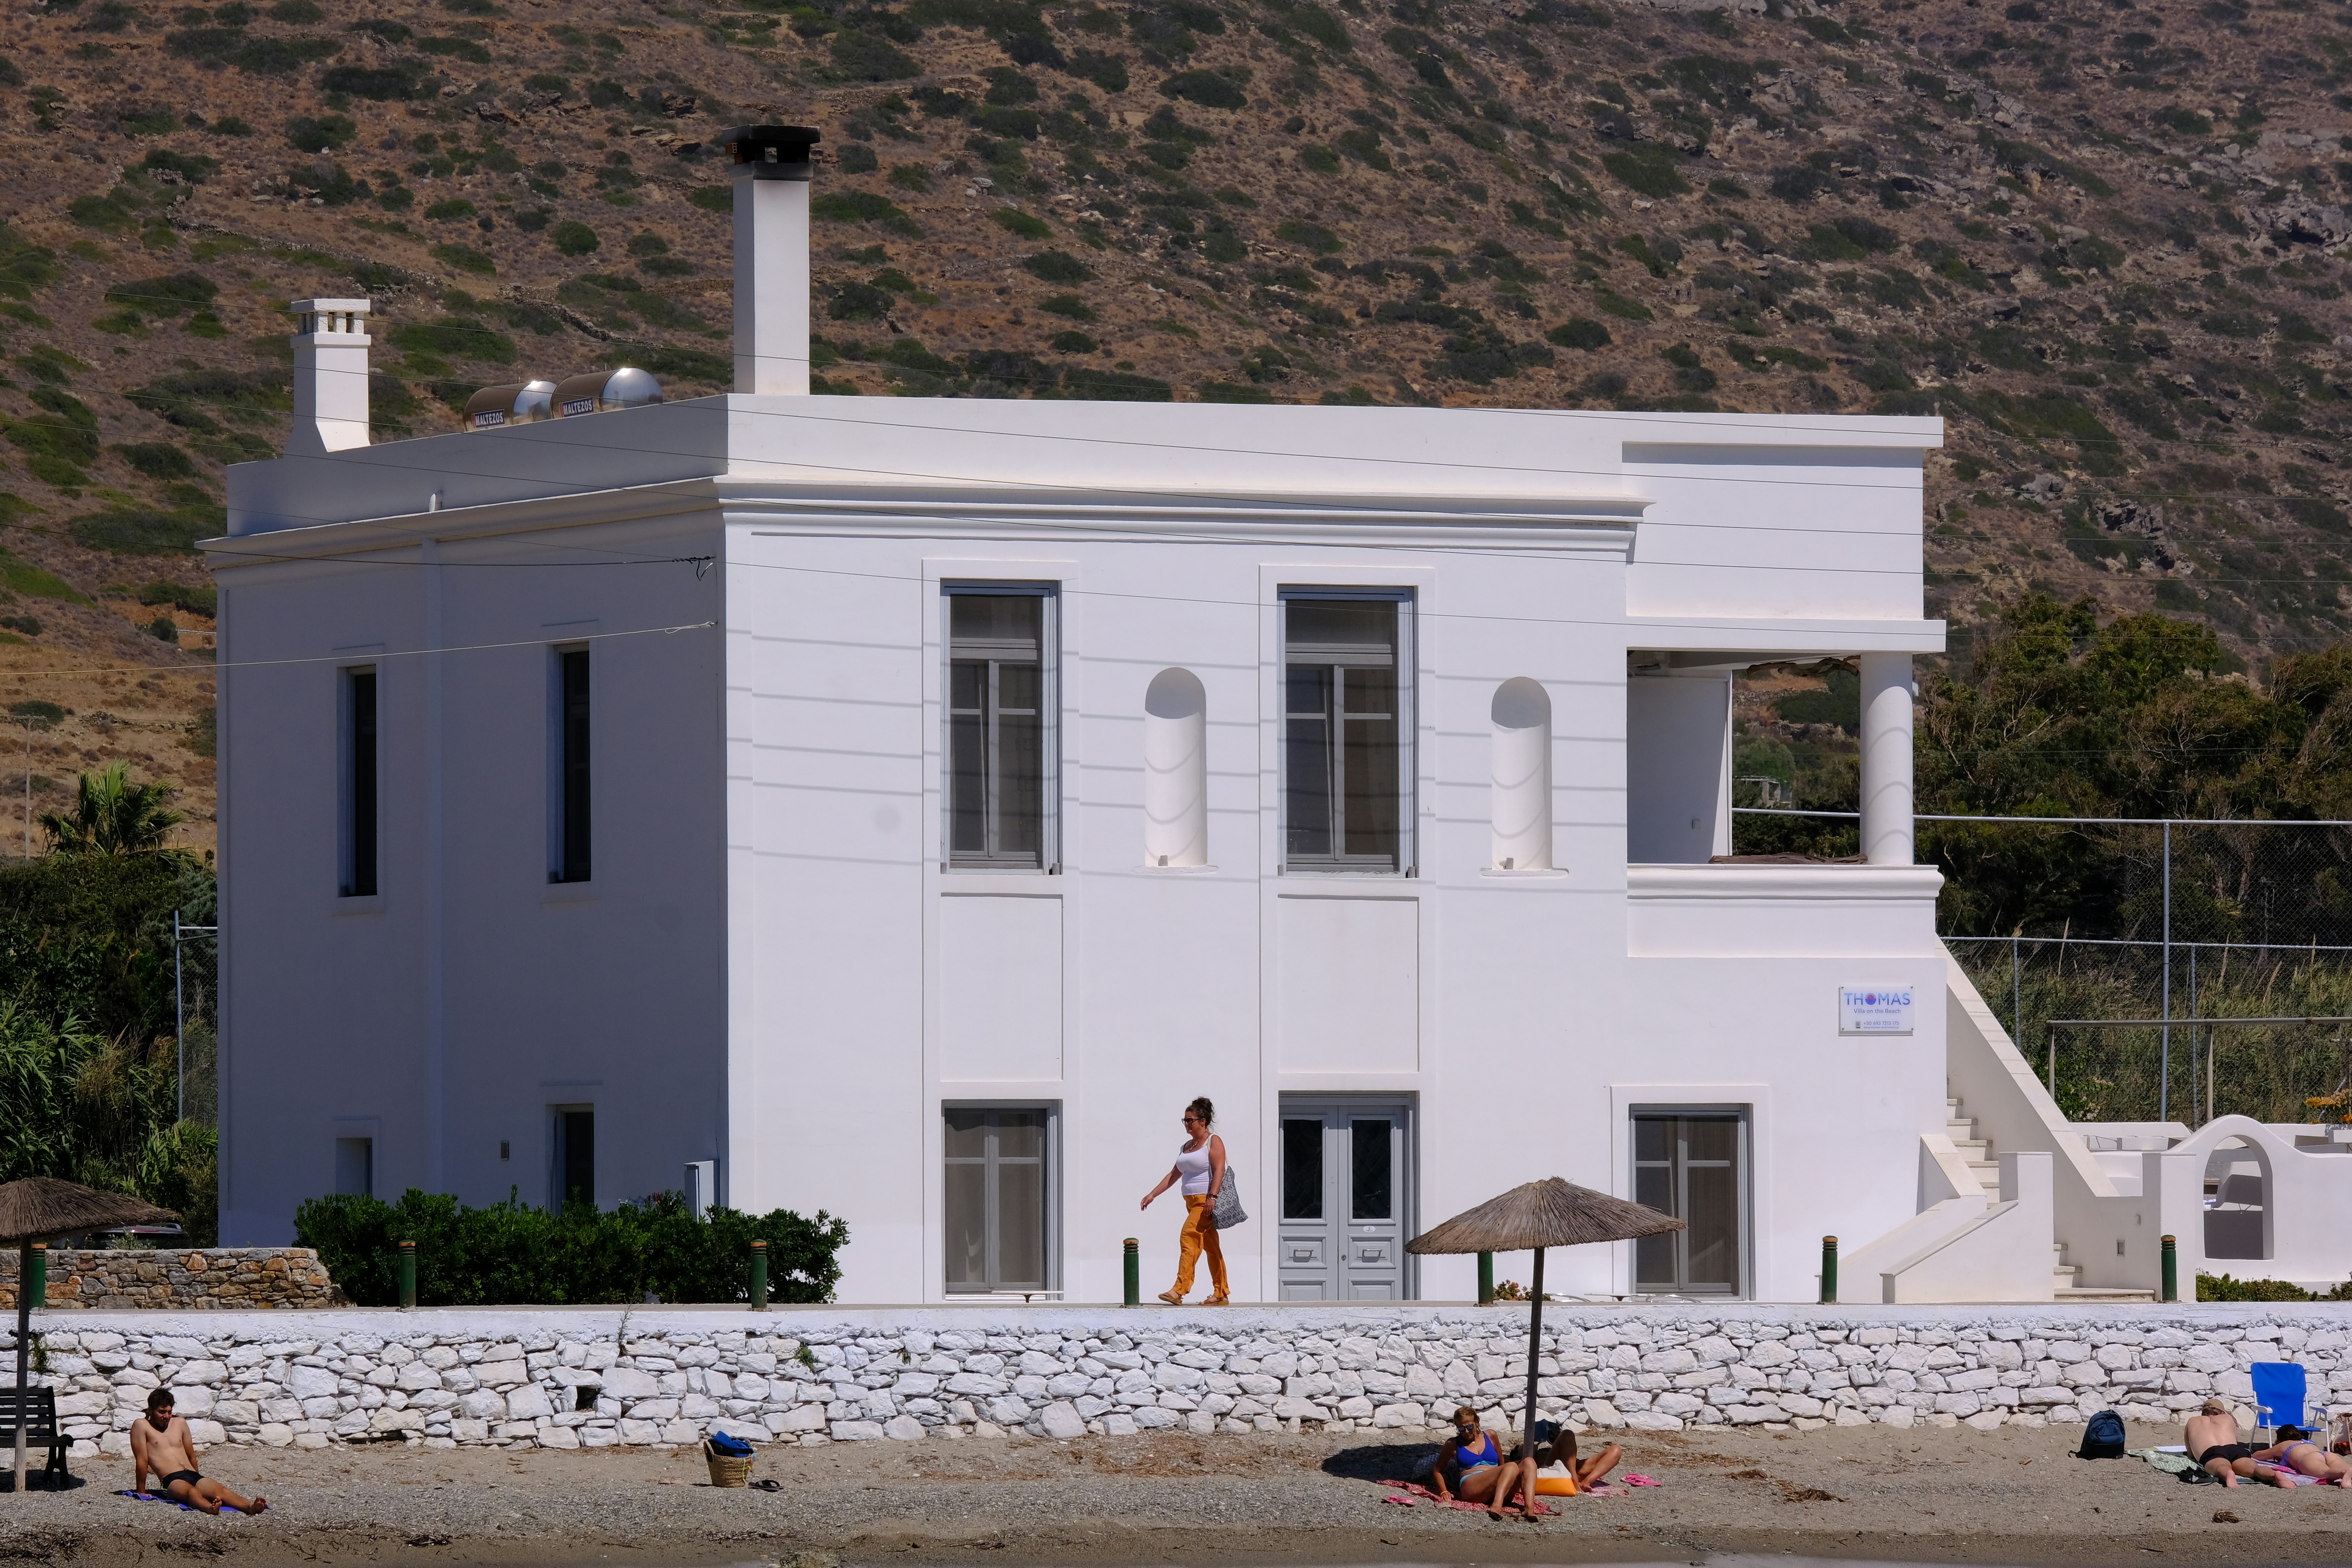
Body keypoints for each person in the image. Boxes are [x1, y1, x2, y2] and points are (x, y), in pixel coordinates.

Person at [1139, 1096, 1228, 1305]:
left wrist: (1212, 1197)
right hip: (1191, 1203)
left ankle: (1179, 1290)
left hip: (1205, 1202)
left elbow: (1220, 1170)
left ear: (1203, 1122)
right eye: (1185, 1120)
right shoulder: (1187, 1146)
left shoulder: (1213, 1141)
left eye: (1190, 1120)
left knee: (1189, 1237)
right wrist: (1152, 1195)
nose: (1187, 1124)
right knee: (1211, 1248)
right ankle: (1221, 1292)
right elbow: (1174, 1174)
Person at [130, 1388, 268, 1515]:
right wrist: (141, 1491)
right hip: (171, 1480)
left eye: (170, 1412)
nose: (167, 1416)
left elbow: (191, 1455)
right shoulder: (142, 1426)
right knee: (191, 1493)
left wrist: (198, 1478)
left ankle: (250, 1507)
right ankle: (209, 1508)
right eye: (162, 1412)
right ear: (151, 1410)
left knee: (221, 1491)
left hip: (193, 1475)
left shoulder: (180, 1423)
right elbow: (142, 1461)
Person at [1430, 1406, 1534, 1519]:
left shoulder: (1491, 1436)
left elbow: (1501, 1462)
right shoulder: (1453, 1444)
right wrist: (1444, 1491)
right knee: (1511, 1466)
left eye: (1470, 1427)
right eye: (1462, 1429)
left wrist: (1509, 1478)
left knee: (1529, 1462)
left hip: (1496, 1486)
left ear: (1477, 1423)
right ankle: (1497, 1506)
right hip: (1472, 1485)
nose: (1466, 1432)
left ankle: (1529, 1509)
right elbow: (1437, 1470)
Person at [2187, 1396, 2282, 1488]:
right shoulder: (2228, 1418)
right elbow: (2234, 1440)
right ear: (2222, 1412)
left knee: (2221, 1466)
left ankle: (2228, 1474)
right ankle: (2274, 1475)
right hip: (2234, 1449)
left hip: (2212, 1452)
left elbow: (2191, 1453)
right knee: (2255, 1469)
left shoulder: (2193, 1421)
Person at [2251, 1425, 2352, 1486]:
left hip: (2308, 1458)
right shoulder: (2307, 1442)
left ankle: (2344, 1473)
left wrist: (2274, 1452)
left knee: (2325, 1473)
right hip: (2325, 1454)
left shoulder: (2282, 1446)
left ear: (2280, 1439)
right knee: (2342, 1466)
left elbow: (2258, 1456)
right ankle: (2347, 1470)